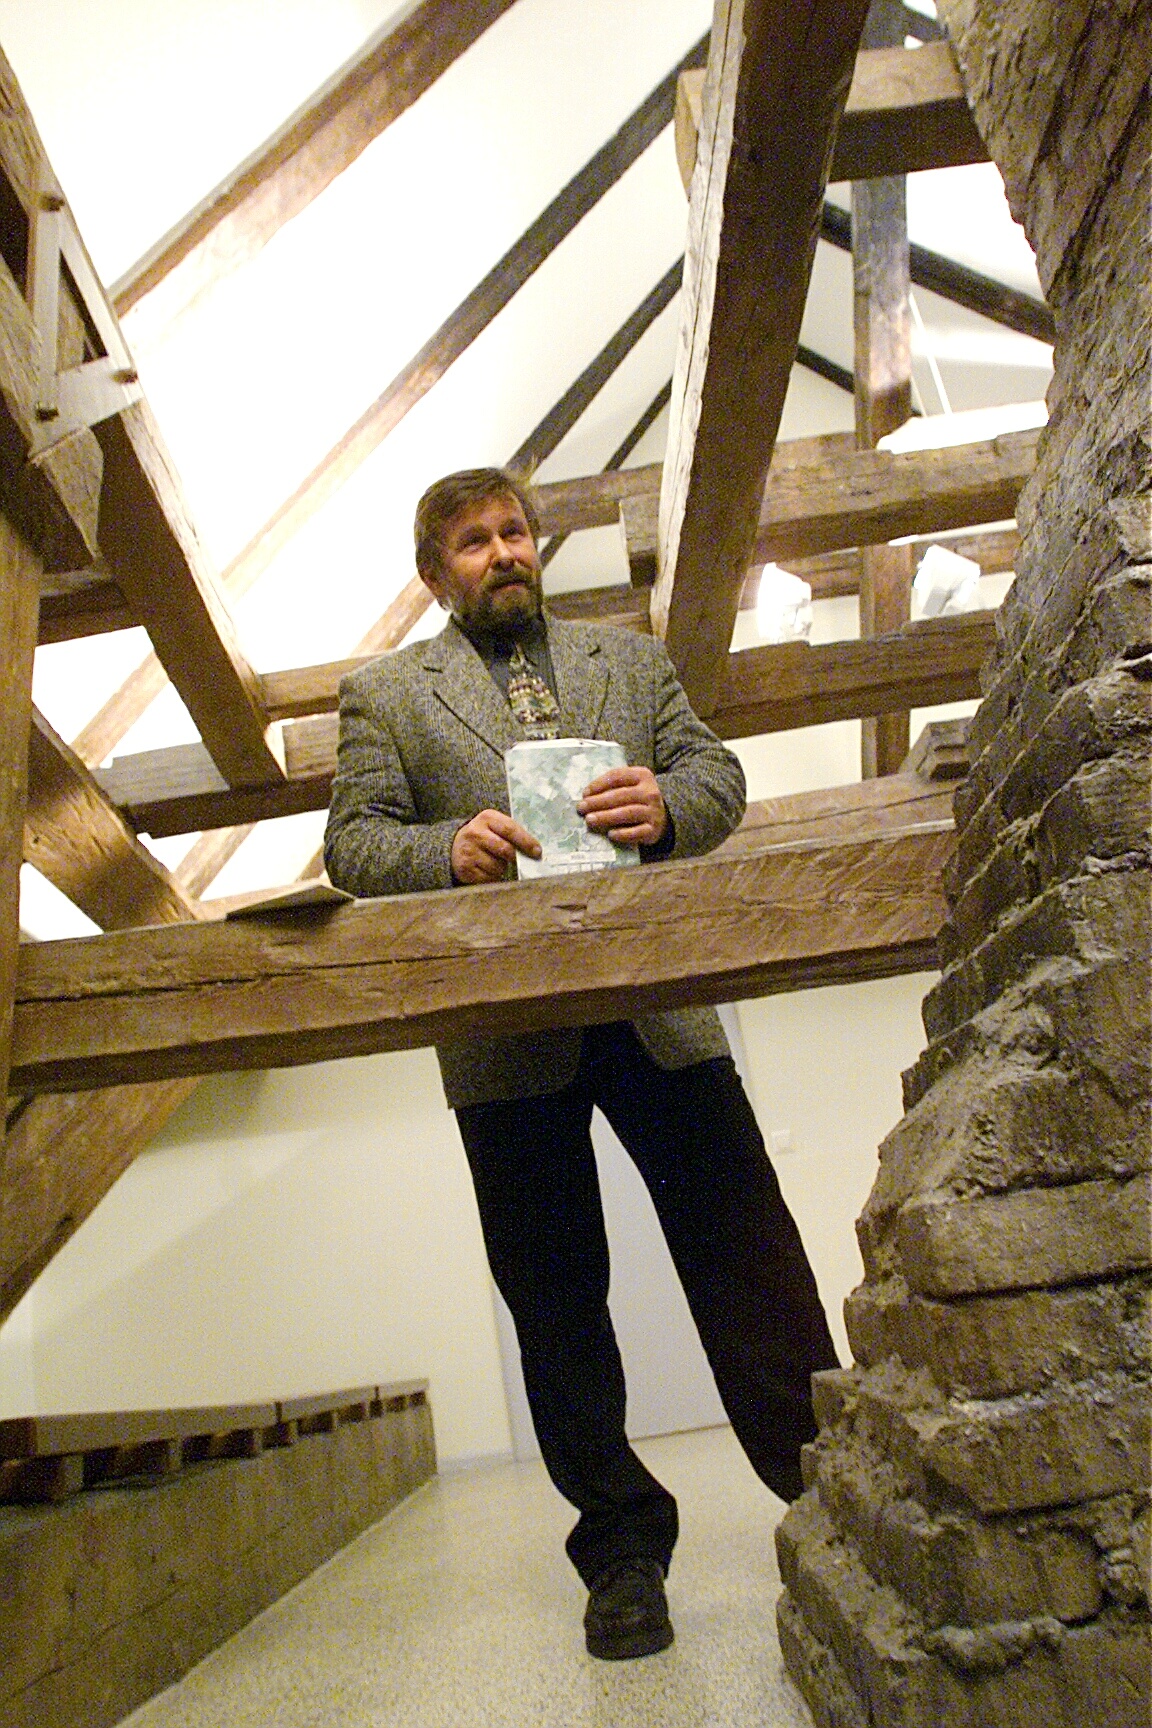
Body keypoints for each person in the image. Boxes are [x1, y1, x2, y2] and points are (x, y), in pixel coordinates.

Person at [324, 468, 838, 1661]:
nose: (501, 552)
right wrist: (444, 850)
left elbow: (719, 778)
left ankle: (833, 1494)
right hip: (504, 1036)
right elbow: (353, 842)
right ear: (434, 574)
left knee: (752, 1264)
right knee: (555, 1305)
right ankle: (619, 1555)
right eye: (471, 541)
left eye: (513, 531)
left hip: (662, 1009)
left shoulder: (634, 663)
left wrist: (669, 804)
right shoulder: (385, 695)